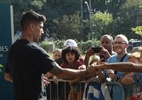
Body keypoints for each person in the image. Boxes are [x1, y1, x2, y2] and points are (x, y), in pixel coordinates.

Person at [4, 10, 95, 100]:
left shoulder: (13, 48)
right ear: (31, 27)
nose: (42, 32)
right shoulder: (34, 50)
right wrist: (87, 72)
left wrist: (31, 82)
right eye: (41, 27)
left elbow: (7, 76)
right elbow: (60, 72)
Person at [83, 34, 115, 100]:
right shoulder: (98, 57)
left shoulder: (116, 55)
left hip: (114, 89)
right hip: (100, 91)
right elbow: (87, 71)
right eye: (102, 42)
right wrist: (87, 56)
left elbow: (115, 68)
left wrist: (107, 55)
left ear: (112, 44)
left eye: (107, 42)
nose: (104, 44)